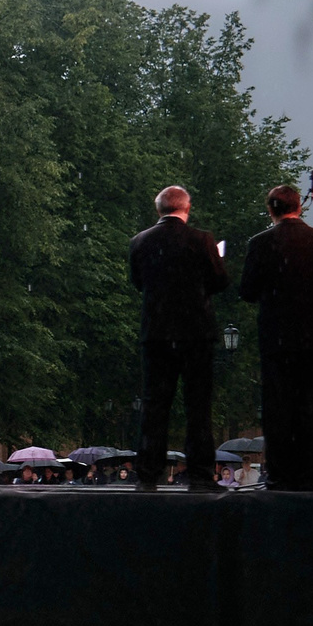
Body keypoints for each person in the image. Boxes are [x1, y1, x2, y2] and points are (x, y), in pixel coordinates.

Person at [238, 184, 313, 491]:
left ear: (271, 210)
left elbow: (247, 290)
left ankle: (281, 472)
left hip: (277, 340)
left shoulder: (260, 243)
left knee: (278, 406)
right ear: (299, 207)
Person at [130, 184, 230, 491]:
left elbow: (138, 282)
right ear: (186, 209)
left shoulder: (140, 241)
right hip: (195, 334)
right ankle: (200, 473)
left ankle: (148, 474)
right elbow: (220, 281)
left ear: (159, 209)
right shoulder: (202, 240)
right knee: (197, 406)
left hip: (157, 334)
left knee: (154, 405)